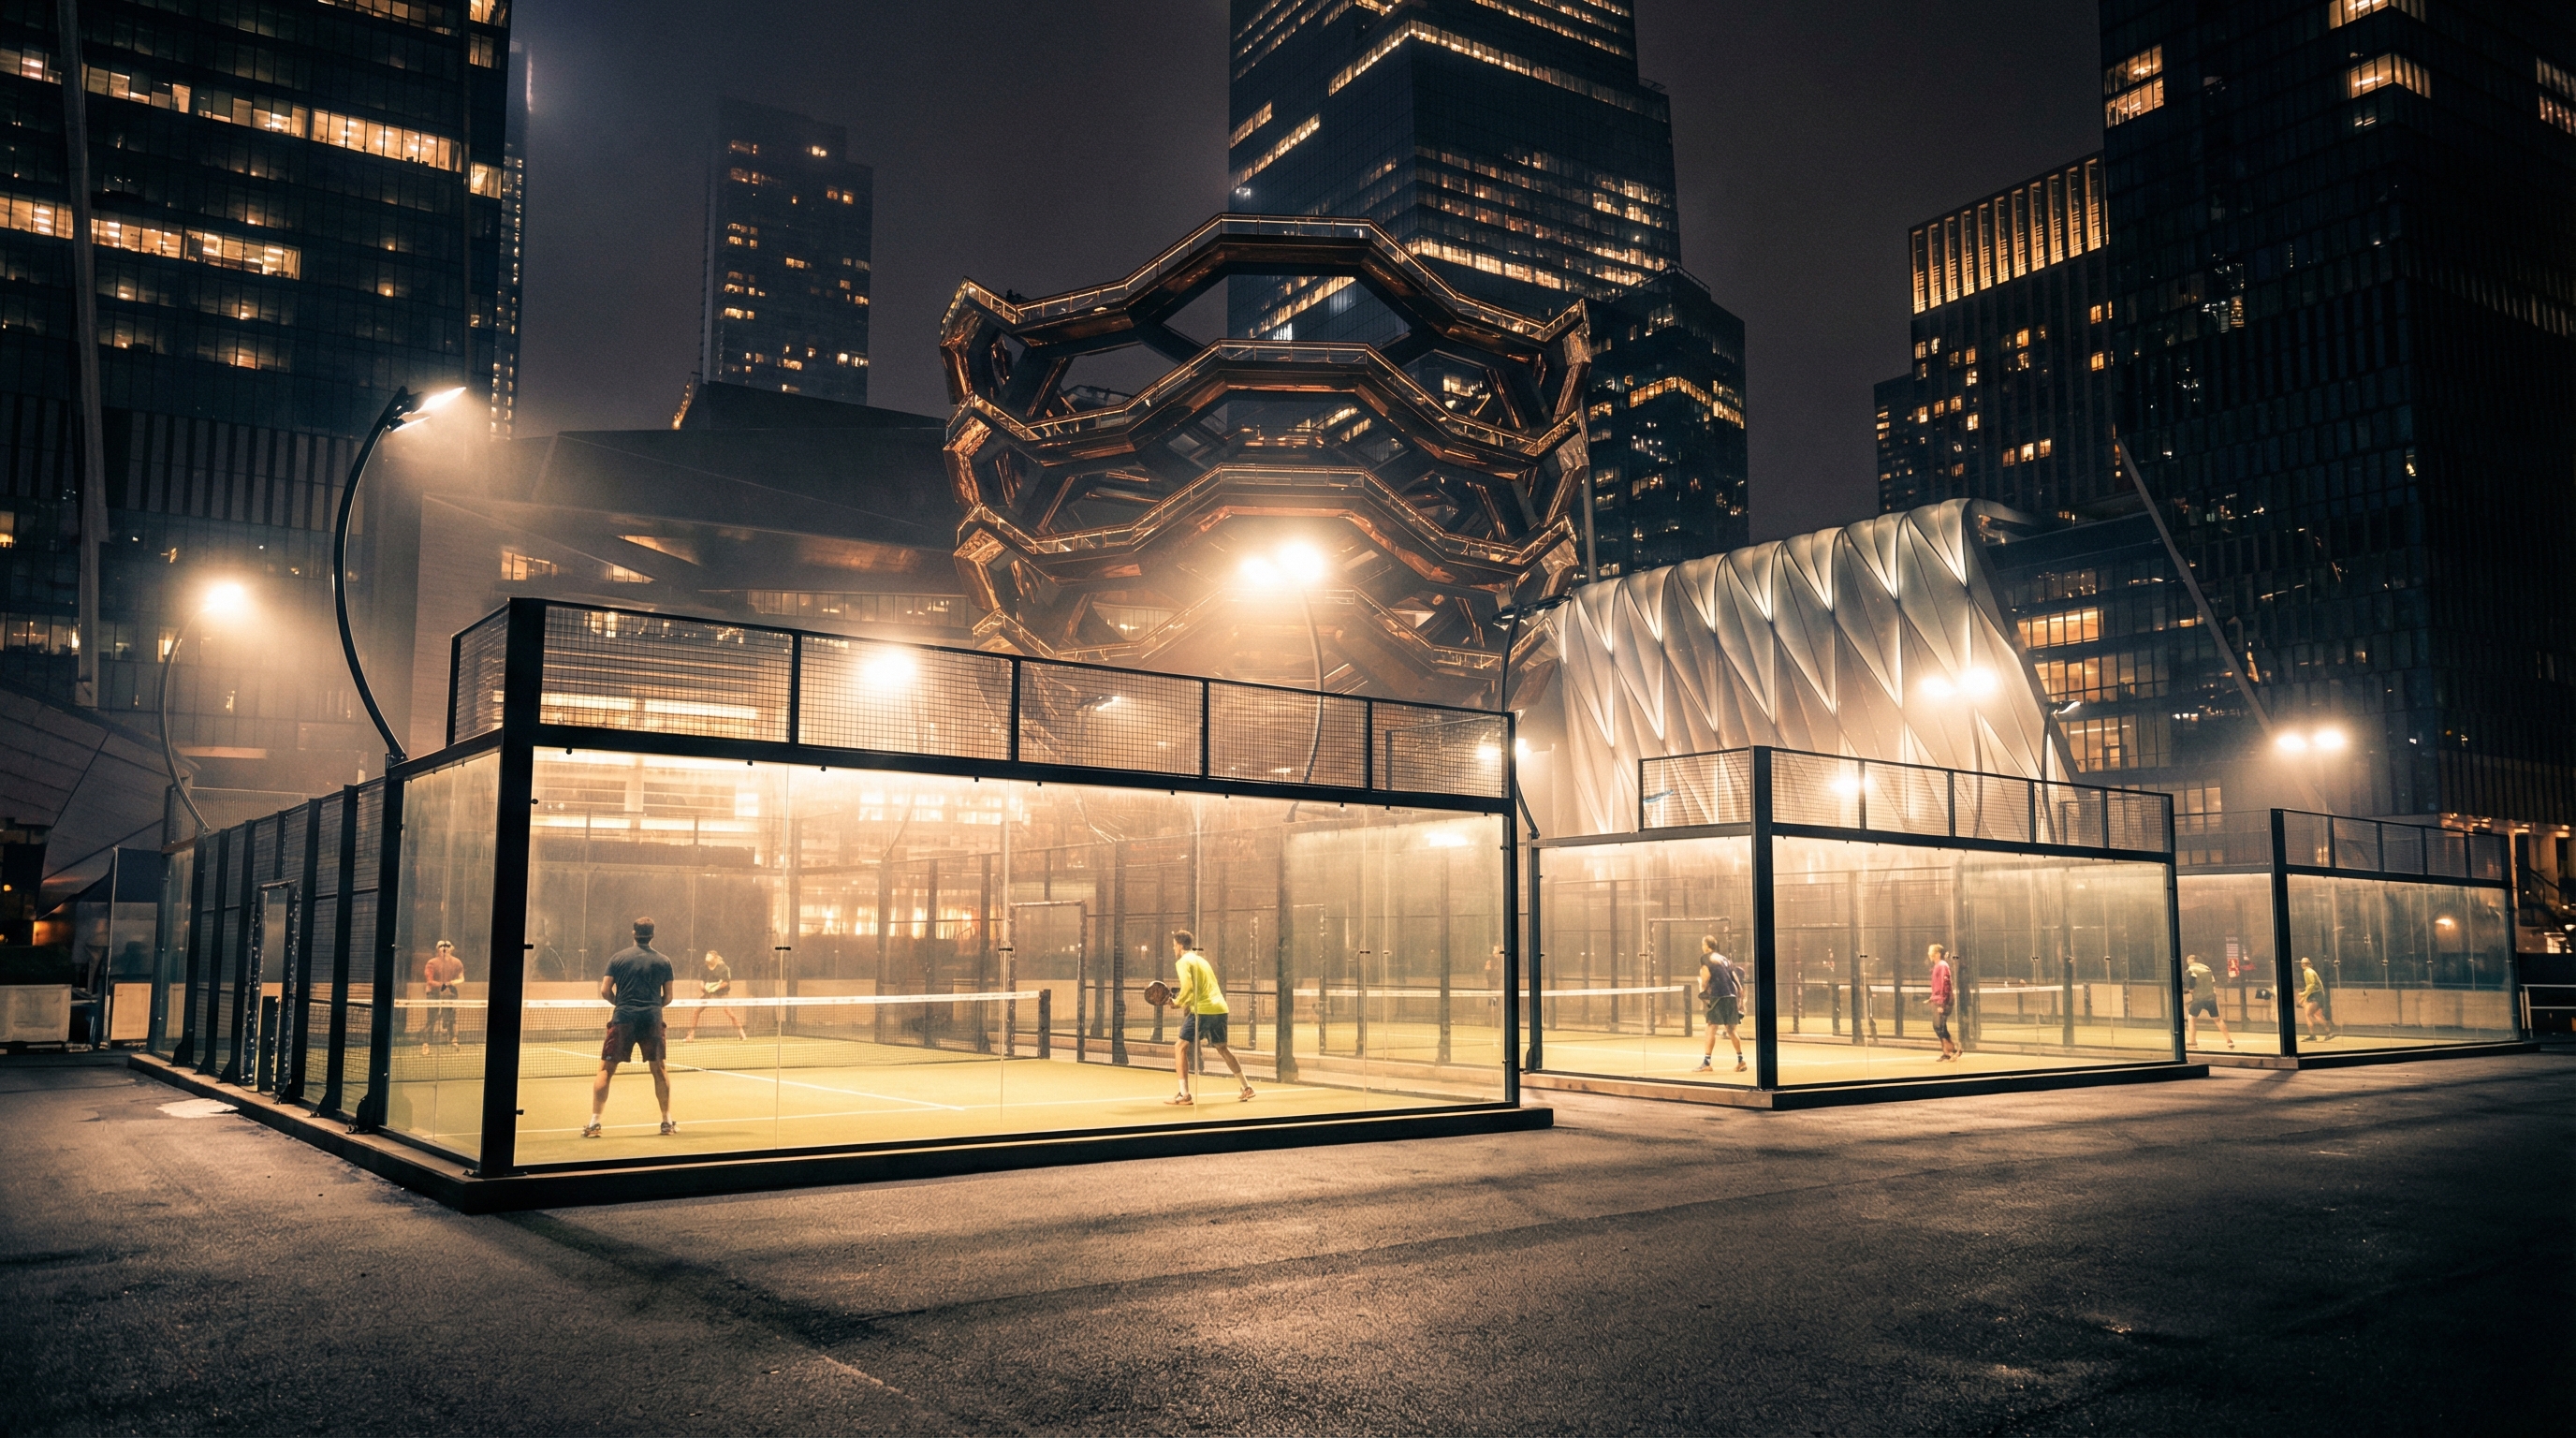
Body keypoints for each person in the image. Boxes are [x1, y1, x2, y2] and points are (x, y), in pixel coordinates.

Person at [587, 917, 676, 1137]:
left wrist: (623, 1005)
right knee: (659, 1069)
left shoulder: (617, 959)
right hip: (652, 1020)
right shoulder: (664, 961)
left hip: (623, 1019)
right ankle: (667, 1122)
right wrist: (652, 1007)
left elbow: (605, 991)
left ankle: (594, 1125)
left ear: (633, 933)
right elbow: (669, 997)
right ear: (652, 935)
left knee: (606, 1071)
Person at [1163, 929, 1252, 1106]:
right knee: (1222, 1048)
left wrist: (1178, 1002)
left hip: (1203, 1010)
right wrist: (1185, 1002)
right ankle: (1246, 1087)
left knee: (1180, 1046)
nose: (1174, 949)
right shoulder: (1201, 961)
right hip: (1220, 1008)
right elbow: (1201, 987)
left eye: (1174, 945)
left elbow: (1188, 987)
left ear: (1180, 945)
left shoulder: (1182, 962)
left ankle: (1184, 1095)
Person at [1693, 936, 1746, 1074]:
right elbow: (1735, 979)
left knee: (1711, 1027)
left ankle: (1706, 1063)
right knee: (1731, 1030)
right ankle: (1741, 1061)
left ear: (1706, 945)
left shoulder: (1705, 958)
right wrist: (1740, 998)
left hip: (1718, 996)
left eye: (1702, 943)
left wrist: (1703, 991)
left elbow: (1706, 976)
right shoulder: (1725, 960)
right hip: (1731, 996)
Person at [681, 950, 748, 1042]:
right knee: (696, 1011)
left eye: (709, 956)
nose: (707, 958)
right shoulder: (703, 968)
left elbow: (726, 983)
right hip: (708, 994)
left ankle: (741, 1032)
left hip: (721, 994)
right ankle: (690, 1036)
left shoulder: (724, 968)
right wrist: (703, 987)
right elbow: (702, 981)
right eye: (706, 956)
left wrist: (715, 988)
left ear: (715, 958)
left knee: (730, 1013)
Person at [421, 939, 464, 1051]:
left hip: (450, 994)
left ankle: (454, 1040)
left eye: (447, 946)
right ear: (437, 949)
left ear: (451, 948)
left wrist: (450, 984)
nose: (444, 948)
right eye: (441, 946)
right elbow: (430, 981)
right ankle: (426, 1043)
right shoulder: (431, 963)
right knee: (432, 1019)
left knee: (451, 1018)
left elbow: (461, 978)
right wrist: (444, 985)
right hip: (433, 993)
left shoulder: (457, 962)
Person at [2184, 953, 2234, 1049]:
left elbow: (2191, 988)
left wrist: (2187, 991)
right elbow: (2213, 983)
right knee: (2218, 1019)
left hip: (2198, 999)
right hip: (2211, 998)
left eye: (2188, 960)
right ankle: (2229, 1040)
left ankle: (2193, 1042)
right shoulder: (2208, 969)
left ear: (2191, 961)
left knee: (2192, 1018)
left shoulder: (2190, 971)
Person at [1927, 943, 1962, 1062]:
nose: (1929, 955)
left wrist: (1941, 1003)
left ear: (1937, 954)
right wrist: (1932, 998)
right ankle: (1948, 1052)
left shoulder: (1942, 965)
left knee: (1939, 1027)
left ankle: (1952, 1050)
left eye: (1931, 952)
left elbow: (1944, 985)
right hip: (1939, 1001)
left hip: (1943, 1002)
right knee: (1939, 1027)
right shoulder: (1938, 966)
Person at [2297, 956, 2336, 1044]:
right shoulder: (2312, 971)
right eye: (2302, 963)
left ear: (2306, 964)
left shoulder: (2307, 972)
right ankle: (2329, 1032)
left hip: (2315, 995)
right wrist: (2304, 998)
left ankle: (2312, 1035)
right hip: (2319, 995)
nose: (2303, 965)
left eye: (2304, 963)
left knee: (2308, 1014)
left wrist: (2303, 995)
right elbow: (2312, 986)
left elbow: (2311, 986)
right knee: (2318, 1015)